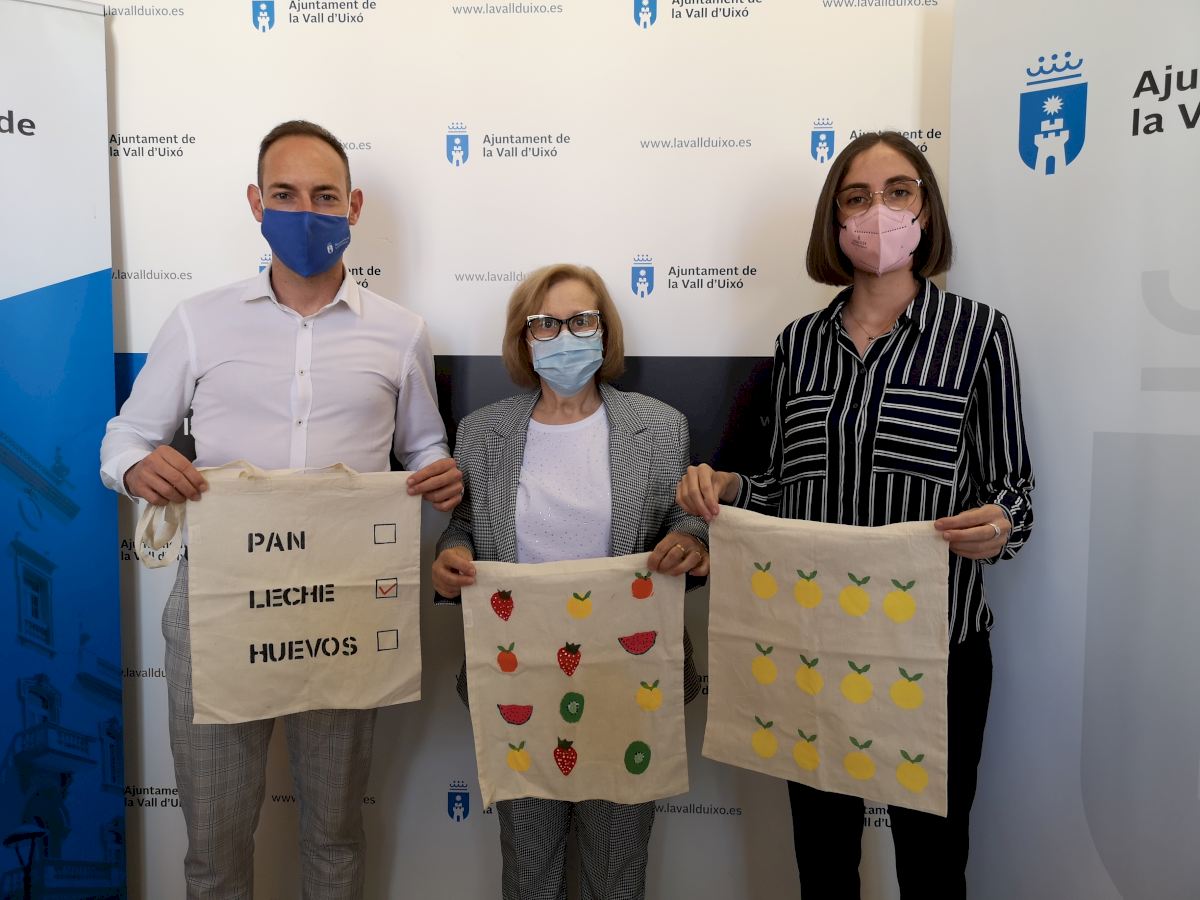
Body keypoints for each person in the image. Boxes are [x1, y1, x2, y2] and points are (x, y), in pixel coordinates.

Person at [100, 119, 462, 899]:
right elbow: (125, 437)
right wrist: (136, 467)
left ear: (353, 206)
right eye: (286, 194)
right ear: (256, 203)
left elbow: (424, 445)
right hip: (220, 606)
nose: (306, 211)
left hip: (345, 607)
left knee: (333, 836)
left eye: (325, 196)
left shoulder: (401, 333)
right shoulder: (199, 320)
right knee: (215, 845)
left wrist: (440, 474)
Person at [676, 131, 1034, 898]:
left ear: (926, 211)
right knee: (824, 864)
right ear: (834, 222)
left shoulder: (979, 334)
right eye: (857, 197)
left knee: (934, 870)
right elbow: (786, 493)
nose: (879, 212)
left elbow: (1016, 491)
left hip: (935, 651)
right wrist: (731, 488)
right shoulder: (798, 345)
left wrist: (999, 524)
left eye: (899, 191)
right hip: (815, 648)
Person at [431, 263, 708, 900]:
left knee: (618, 870)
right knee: (530, 868)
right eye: (546, 323)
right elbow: (463, 526)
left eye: (582, 320)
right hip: (518, 673)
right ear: (523, 338)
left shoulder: (660, 426)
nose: (565, 336)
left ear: (604, 331)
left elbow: (684, 519)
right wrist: (452, 555)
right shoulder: (482, 432)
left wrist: (692, 541)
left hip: (626, 675)